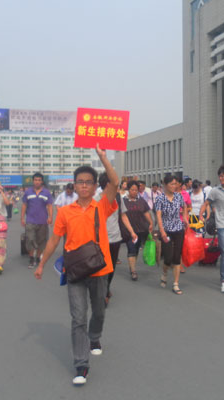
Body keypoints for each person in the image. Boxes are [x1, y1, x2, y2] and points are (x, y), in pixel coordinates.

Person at [34, 144, 118, 386]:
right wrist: (42, 263)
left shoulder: (102, 206)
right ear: (74, 184)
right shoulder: (65, 212)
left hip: (100, 269)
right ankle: (81, 364)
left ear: (94, 186)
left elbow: (115, 182)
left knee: (99, 311)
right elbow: (54, 240)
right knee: (78, 317)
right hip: (75, 270)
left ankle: (95, 337)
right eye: (80, 182)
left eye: (88, 182)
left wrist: (103, 157)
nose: (84, 185)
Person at [155, 175, 189, 295]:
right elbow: (158, 216)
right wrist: (162, 231)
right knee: (168, 258)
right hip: (166, 231)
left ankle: (175, 284)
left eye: (175, 184)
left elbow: (185, 206)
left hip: (179, 229)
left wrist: (185, 218)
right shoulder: (160, 198)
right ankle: (164, 273)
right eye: (172, 184)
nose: (174, 186)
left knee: (177, 257)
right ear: (165, 185)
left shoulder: (179, 196)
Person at [96, 172, 124, 306]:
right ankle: (103, 292)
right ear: (107, 184)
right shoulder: (95, 199)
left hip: (115, 238)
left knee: (111, 267)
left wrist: (131, 231)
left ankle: (106, 287)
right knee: (101, 267)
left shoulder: (117, 198)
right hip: (99, 240)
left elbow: (123, 216)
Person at [120, 180, 153, 281]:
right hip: (128, 230)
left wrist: (151, 223)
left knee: (136, 249)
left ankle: (132, 266)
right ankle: (133, 271)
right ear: (128, 190)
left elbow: (146, 212)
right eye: (132, 190)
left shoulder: (141, 201)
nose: (134, 192)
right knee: (131, 248)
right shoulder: (123, 201)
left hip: (140, 229)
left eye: (136, 190)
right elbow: (121, 215)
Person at [21, 173, 53, 269]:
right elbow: (24, 205)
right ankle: (31, 258)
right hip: (30, 221)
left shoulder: (46, 193)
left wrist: (50, 217)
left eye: (39, 180)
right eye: (35, 180)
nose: (37, 182)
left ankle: (38, 257)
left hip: (43, 221)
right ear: (33, 181)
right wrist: (22, 218)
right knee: (30, 239)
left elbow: (50, 206)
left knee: (41, 241)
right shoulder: (28, 192)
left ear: (42, 181)